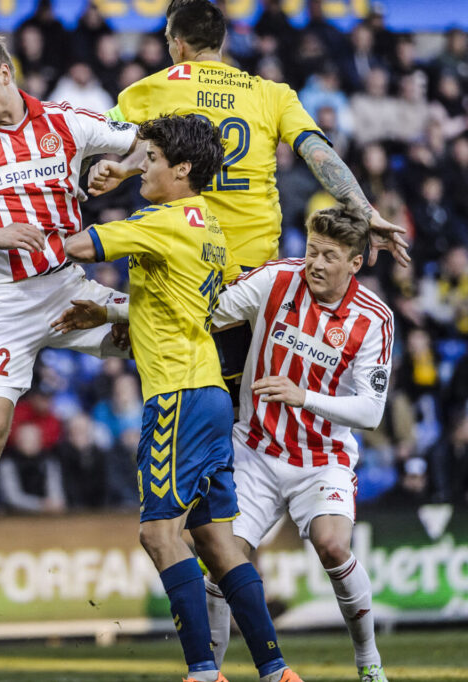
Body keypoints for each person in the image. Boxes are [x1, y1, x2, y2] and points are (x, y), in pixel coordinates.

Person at [55, 114, 301, 682]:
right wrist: (114, 310)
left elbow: (76, 247)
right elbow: (179, 303)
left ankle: (201, 671)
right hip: (211, 392)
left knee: (158, 533)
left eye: (153, 158)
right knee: (215, 539)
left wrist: (14, 221)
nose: (143, 167)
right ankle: (275, 670)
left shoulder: (159, 220)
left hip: (175, 396)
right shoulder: (209, 223)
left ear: (181, 168)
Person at [0, 27, 139, 638]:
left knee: (158, 332)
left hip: (71, 287)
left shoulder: (67, 122)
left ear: (5, 73)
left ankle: (204, 510)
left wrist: (119, 171)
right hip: (5, 305)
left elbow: (145, 143)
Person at [93, 0, 407, 396]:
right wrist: (366, 210)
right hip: (252, 271)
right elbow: (317, 153)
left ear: (178, 45)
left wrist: (118, 167)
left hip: (184, 263)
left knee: (179, 392)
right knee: (244, 397)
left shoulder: (157, 86)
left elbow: (100, 132)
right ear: (222, 41)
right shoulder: (270, 94)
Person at [203, 208, 393, 682]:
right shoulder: (276, 279)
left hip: (322, 459)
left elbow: (371, 413)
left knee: (332, 546)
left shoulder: (374, 319)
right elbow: (210, 314)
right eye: (312, 249)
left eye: (330, 255)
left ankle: (369, 662)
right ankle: (208, 673)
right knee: (221, 559)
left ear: (356, 262)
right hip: (255, 447)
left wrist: (302, 395)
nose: (316, 263)